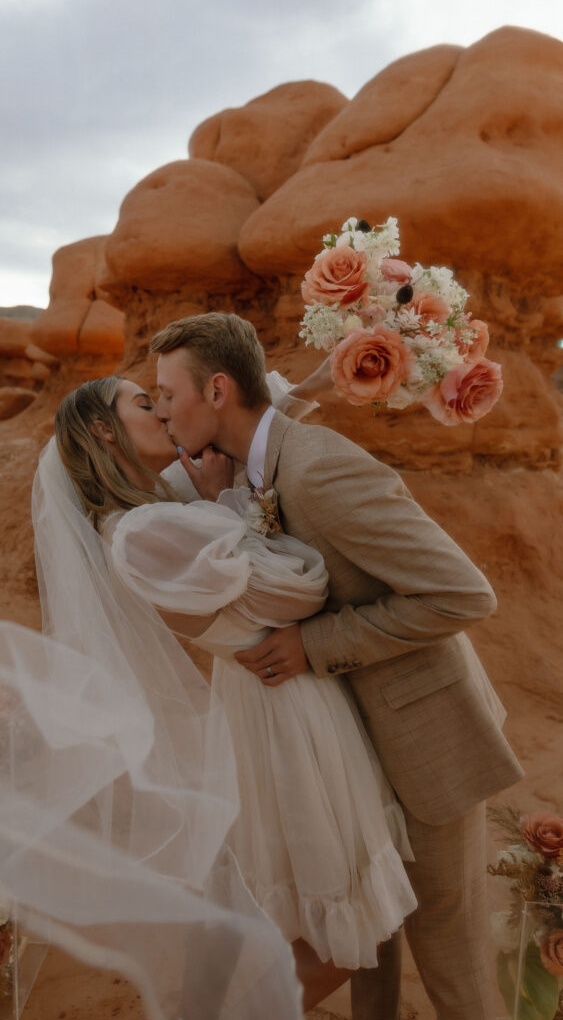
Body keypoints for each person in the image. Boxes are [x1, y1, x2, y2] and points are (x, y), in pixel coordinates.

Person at [149, 311, 525, 1020]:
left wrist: (314, 646)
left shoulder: (318, 470)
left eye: (168, 394)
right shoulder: (249, 464)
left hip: (426, 740)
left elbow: (463, 593)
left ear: (218, 390)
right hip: (351, 744)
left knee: (450, 963)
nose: (163, 411)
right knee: (370, 943)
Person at [51, 369, 418, 1010]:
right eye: (148, 402)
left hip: (271, 697)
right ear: (106, 431)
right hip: (283, 708)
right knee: (343, 930)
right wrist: (229, 499)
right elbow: (296, 591)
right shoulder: (141, 533)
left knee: (270, 904)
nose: (165, 412)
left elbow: (235, 423)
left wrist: (319, 380)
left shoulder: (152, 502)